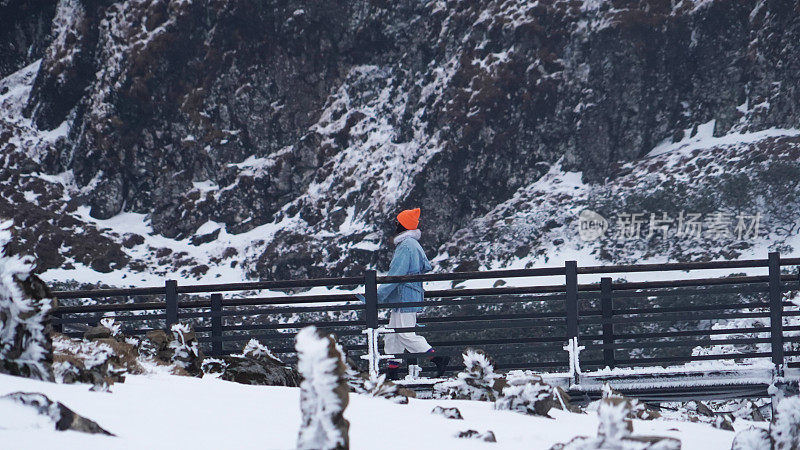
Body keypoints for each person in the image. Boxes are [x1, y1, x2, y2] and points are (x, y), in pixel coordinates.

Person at [360, 208, 449, 380]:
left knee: (405, 334)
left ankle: (438, 358)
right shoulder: (412, 245)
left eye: (397, 222)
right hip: (405, 297)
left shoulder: (406, 246)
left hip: (404, 297)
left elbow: (396, 275)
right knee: (393, 335)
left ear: (403, 225)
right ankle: (393, 370)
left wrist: (377, 296)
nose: (395, 225)